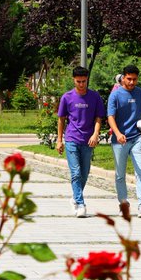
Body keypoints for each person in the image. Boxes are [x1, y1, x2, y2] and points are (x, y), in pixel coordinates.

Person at [107, 64, 141, 218]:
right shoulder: (115, 95)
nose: (132, 82)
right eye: (129, 79)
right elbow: (110, 117)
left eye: (134, 79)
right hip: (119, 140)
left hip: (137, 138)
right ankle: (123, 203)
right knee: (120, 174)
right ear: (124, 77)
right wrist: (118, 133)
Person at [57, 66, 104, 218]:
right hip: (71, 139)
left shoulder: (94, 97)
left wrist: (96, 134)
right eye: (78, 81)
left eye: (84, 81)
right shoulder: (67, 97)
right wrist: (59, 140)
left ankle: (74, 198)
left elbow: (99, 117)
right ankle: (81, 203)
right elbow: (61, 119)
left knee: (84, 173)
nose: (82, 84)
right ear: (74, 80)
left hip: (88, 140)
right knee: (76, 172)